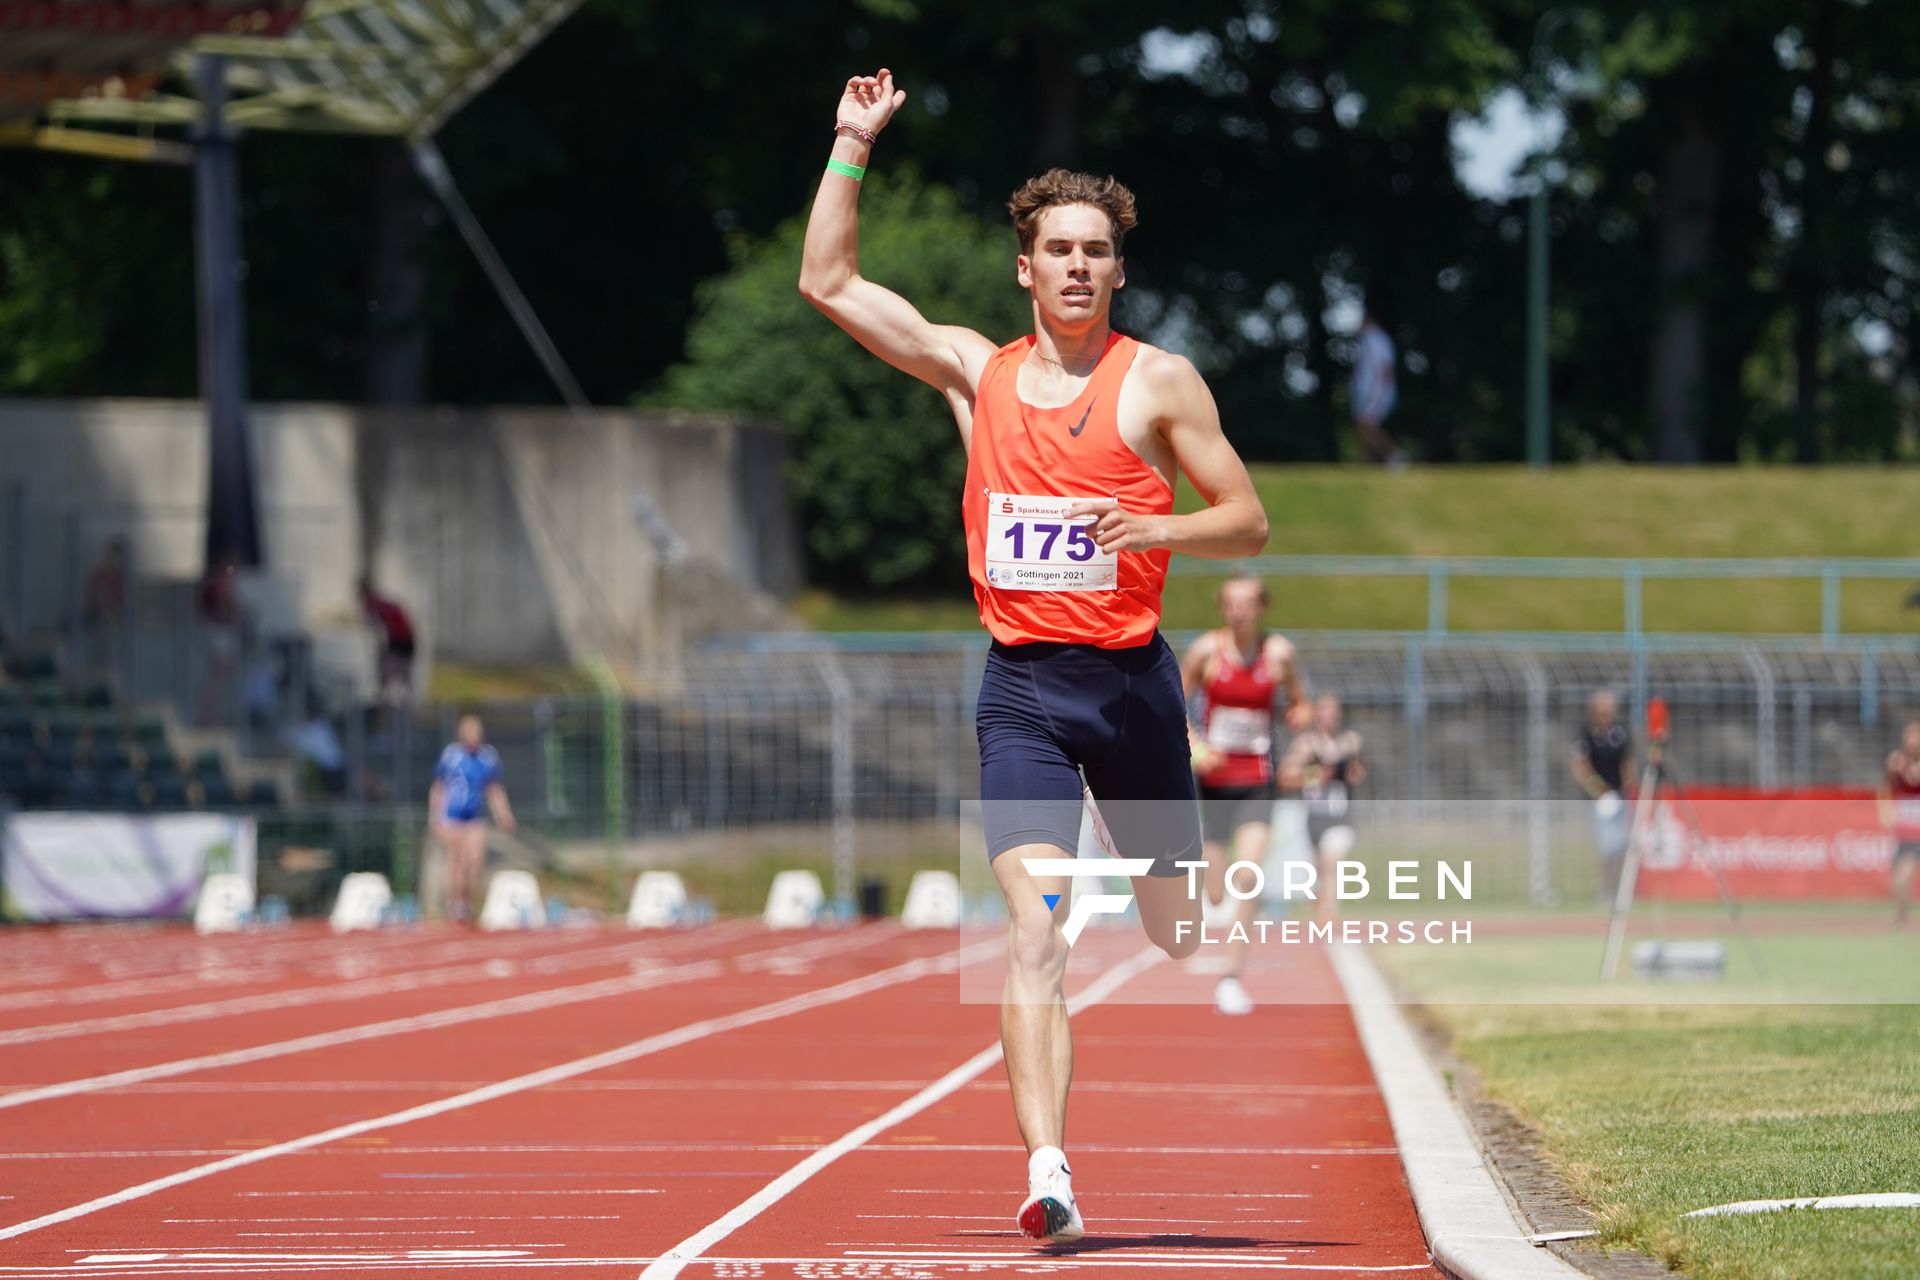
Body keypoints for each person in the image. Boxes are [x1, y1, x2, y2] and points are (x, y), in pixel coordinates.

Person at [798, 69, 1270, 1243]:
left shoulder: (1156, 380)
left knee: (1173, 925)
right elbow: (828, 281)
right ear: (1025, 266)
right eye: (1056, 248)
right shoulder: (977, 371)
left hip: (1134, 688)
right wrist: (853, 142)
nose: (1074, 266)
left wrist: (1157, 526)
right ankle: (1051, 1168)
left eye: (1094, 251)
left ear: (1118, 270)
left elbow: (1247, 518)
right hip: (1025, 695)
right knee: (1035, 926)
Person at [1180, 576, 1306, 1016]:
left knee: (1247, 877)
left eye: (1247, 604)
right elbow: (1175, 703)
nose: (1239, 612)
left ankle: (1231, 977)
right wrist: (1195, 746)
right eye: (1231, 604)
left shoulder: (1279, 654)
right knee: (1215, 892)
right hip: (1214, 779)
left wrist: (1298, 718)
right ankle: (1209, 898)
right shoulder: (1205, 652)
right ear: (1223, 608)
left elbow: (1300, 704)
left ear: (1262, 607)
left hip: (1257, 777)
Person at [1280, 694, 1366, 923]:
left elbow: (1360, 774)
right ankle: (1320, 911)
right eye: (1326, 710)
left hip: (1340, 816)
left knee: (1333, 860)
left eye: (1335, 710)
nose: (1331, 715)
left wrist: (1352, 774)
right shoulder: (1305, 744)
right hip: (1310, 817)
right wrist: (1317, 775)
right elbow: (1285, 778)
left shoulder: (1351, 742)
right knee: (1316, 872)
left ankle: (1329, 913)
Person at [428, 714, 515, 923]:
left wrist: (503, 814)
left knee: (474, 862)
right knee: (456, 861)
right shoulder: (451, 755)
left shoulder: (487, 757)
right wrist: (435, 816)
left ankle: (466, 900)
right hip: (453, 816)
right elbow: (439, 787)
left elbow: (494, 789)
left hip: (474, 816)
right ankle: (456, 905)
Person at [1572, 690, 1635, 906]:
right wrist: (1599, 789)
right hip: (1599, 799)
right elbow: (1580, 765)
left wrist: (1626, 788)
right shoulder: (1586, 733)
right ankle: (1605, 890)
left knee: (1621, 844)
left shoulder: (1620, 732)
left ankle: (1620, 890)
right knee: (1606, 845)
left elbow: (1627, 762)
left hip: (1619, 797)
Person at [1878, 720, 1920, 931]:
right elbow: (1885, 787)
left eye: (1915, 736)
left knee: (1906, 870)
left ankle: (1902, 919)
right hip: (1904, 827)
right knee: (1898, 874)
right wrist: (1884, 810)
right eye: (1908, 735)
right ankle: (1902, 916)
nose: (1911, 740)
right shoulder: (1897, 762)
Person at [1351, 309, 1403, 467]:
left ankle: (1395, 455)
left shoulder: (1378, 340)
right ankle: (1371, 462)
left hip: (1377, 390)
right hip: (1368, 390)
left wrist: (1381, 392)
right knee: (1365, 426)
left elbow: (1385, 368)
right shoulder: (1367, 340)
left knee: (1367, 424)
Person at [359, 577, 417, 706]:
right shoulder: (382, 601)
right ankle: (407, 706)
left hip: (399, 640)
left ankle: (385, 707)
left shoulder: (371, 604)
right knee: (402, 678)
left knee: (386, 675)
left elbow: (377, 628)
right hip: (406, 639)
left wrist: (381, 650)